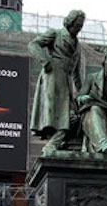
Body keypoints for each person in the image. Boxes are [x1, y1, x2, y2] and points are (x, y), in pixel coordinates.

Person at [29, 9, 85, 153]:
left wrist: (82, 93)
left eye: (80, 26)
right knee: (54, 112)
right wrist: (45, 61)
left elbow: (77, 74)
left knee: (71, 114)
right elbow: (33, 44)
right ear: (70, 22)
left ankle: (56, 142)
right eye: (76, 25)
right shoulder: (55, 34)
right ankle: (53, 142)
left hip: (66, 80)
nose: (78, 29)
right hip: (52, 76)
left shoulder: (78, 46)